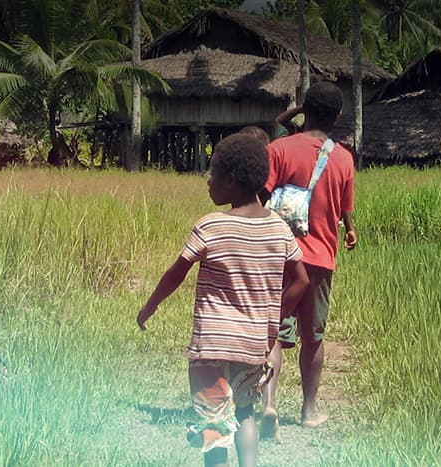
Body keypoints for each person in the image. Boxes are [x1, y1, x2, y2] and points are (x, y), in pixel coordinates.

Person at [138, 134, 310, 467]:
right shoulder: (278, 228)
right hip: (253, 344)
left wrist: (151, 305)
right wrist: (274, 319)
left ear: (231, 180)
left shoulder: (210, 226)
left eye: (213, 174)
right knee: (245, 412)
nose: (208, 181)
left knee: (214, 421)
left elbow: (177, 273)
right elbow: (301, 280)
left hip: (212, 346)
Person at [261, 81, 357, 437]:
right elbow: (345, 208)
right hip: (319, 259)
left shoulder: (279, 148)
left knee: (273, 333)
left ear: (305, 109)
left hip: (279, 256)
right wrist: (350, 229)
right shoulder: (344, 158)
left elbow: (261, 194)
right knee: (313, 338)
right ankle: (309, 410)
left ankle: (268, 404)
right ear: (339, 116)